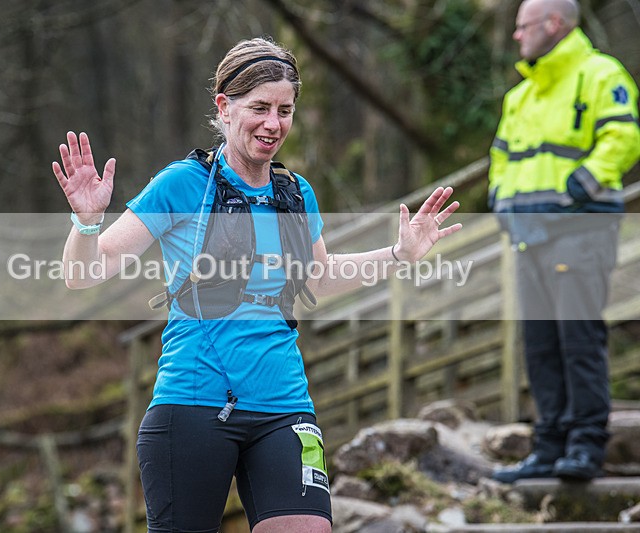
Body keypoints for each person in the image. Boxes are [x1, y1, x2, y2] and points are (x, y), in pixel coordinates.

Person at [52, 37, 461, 533]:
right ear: (224, 107)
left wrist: (399, 254)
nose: (273, 124)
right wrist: (88, 224)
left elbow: (319, 278)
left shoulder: (296, 193)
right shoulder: (181, 184)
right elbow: (83, 273)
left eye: (284, 110)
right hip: (194, 402)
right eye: (259, 108)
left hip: (283, 405)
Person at [489, 0, 640, 483]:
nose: (517, 36)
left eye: (524, 26)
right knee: (540, 342)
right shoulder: (522, 94)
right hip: (529, 236)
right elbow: (501, 156)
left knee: (577, 337)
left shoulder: (600, 74)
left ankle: (585, 445)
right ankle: (548, 446)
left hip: (580, 229)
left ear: (553, 24)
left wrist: (579, 188)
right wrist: (500, 201)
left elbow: (623, 138)